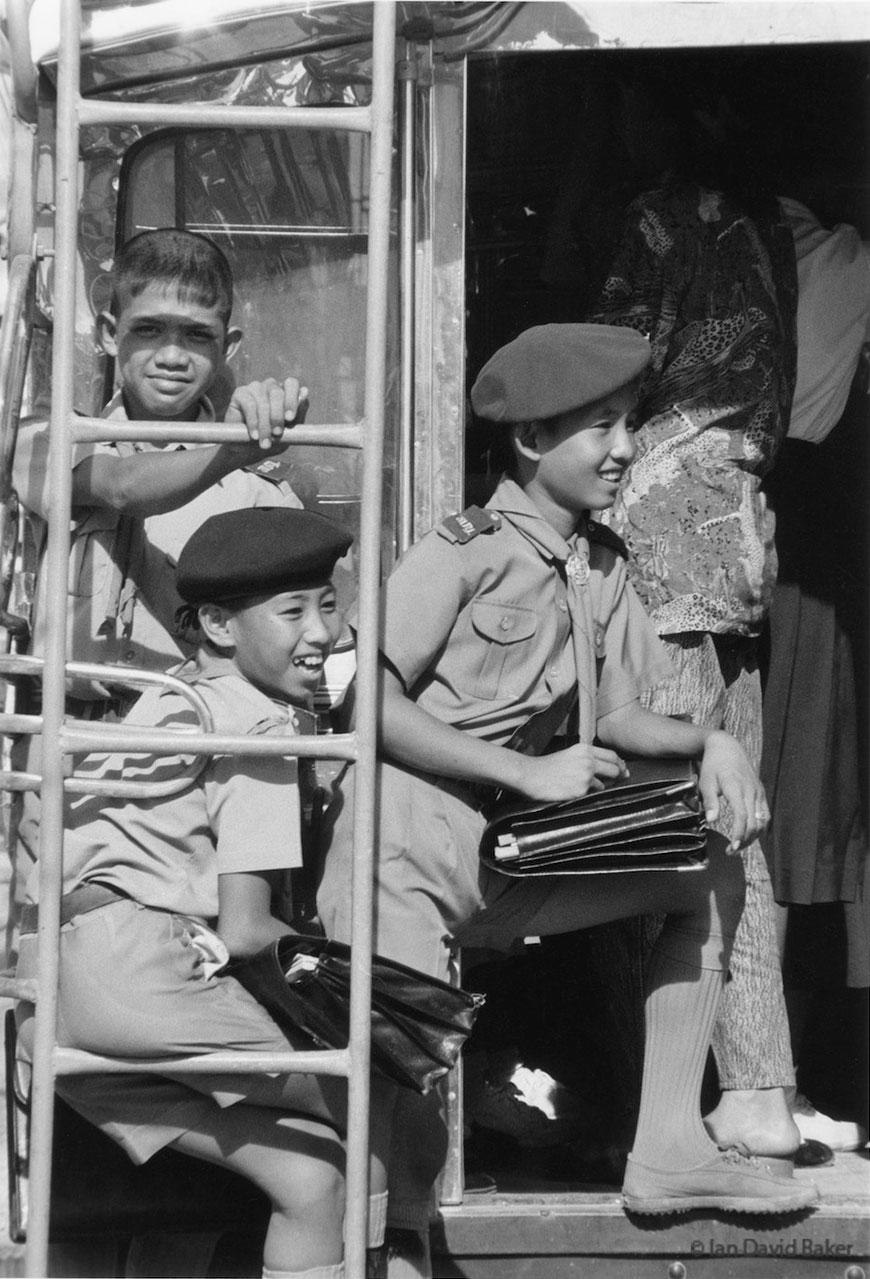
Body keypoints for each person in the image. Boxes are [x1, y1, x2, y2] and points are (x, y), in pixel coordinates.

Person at [318, 324, 819, 1277]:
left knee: (707, 868)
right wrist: (528, 772)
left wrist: (716, 740)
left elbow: (625, 711)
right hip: (406, 851)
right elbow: (365, 706)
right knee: (401, 1128)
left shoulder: (605, 562)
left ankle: (669, 1146)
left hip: (504, 857)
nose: (625, 447)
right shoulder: (461, 551)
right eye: (601, 427)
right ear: (532, 439)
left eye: (627, 423)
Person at [15, 505, 389, 1279]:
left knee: (312, 1175)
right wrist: (364, 994)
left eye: (328, 602)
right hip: (146, 978)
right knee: (378, 1110)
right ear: (219, 625)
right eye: (293, 611)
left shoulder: (168, 699)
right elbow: (248, 927)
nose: (325, 632)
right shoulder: (254, 725)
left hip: (59, 992)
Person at [6, 227, 307, 966]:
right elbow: (119, 487)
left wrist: (254, 447)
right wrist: (235, 445)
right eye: (149, 331)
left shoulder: (261, 494)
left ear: (229, 345)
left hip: (186, 773)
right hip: (61, 759)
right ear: (109, 333)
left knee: (166, 962)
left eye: (196, 336)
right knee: (40, 983)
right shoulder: (55, 438)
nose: (172, 356)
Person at [586, 159, 806, 1166]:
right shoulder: (769, 227)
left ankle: (676, 1100)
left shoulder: (667, 216)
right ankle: (761, 1083)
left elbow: (615, 359)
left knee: (671, 820)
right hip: (738, 538)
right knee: (737, 811)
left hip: (664, 545)